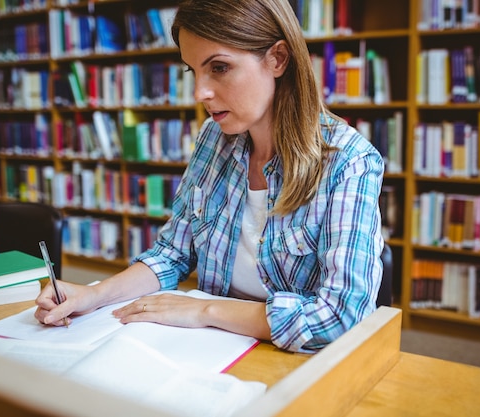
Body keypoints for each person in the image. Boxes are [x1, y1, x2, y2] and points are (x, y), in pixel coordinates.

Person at [35, 0, 385, 353]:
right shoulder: (213, 138)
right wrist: (94, 294)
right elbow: (172, 253)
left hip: (293, 361)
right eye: (193, 71)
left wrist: (204, 310)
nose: (200, 92)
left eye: (219, 67)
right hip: (214, 348)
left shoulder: (348, 161)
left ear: (277, 59)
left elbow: (341, 318)